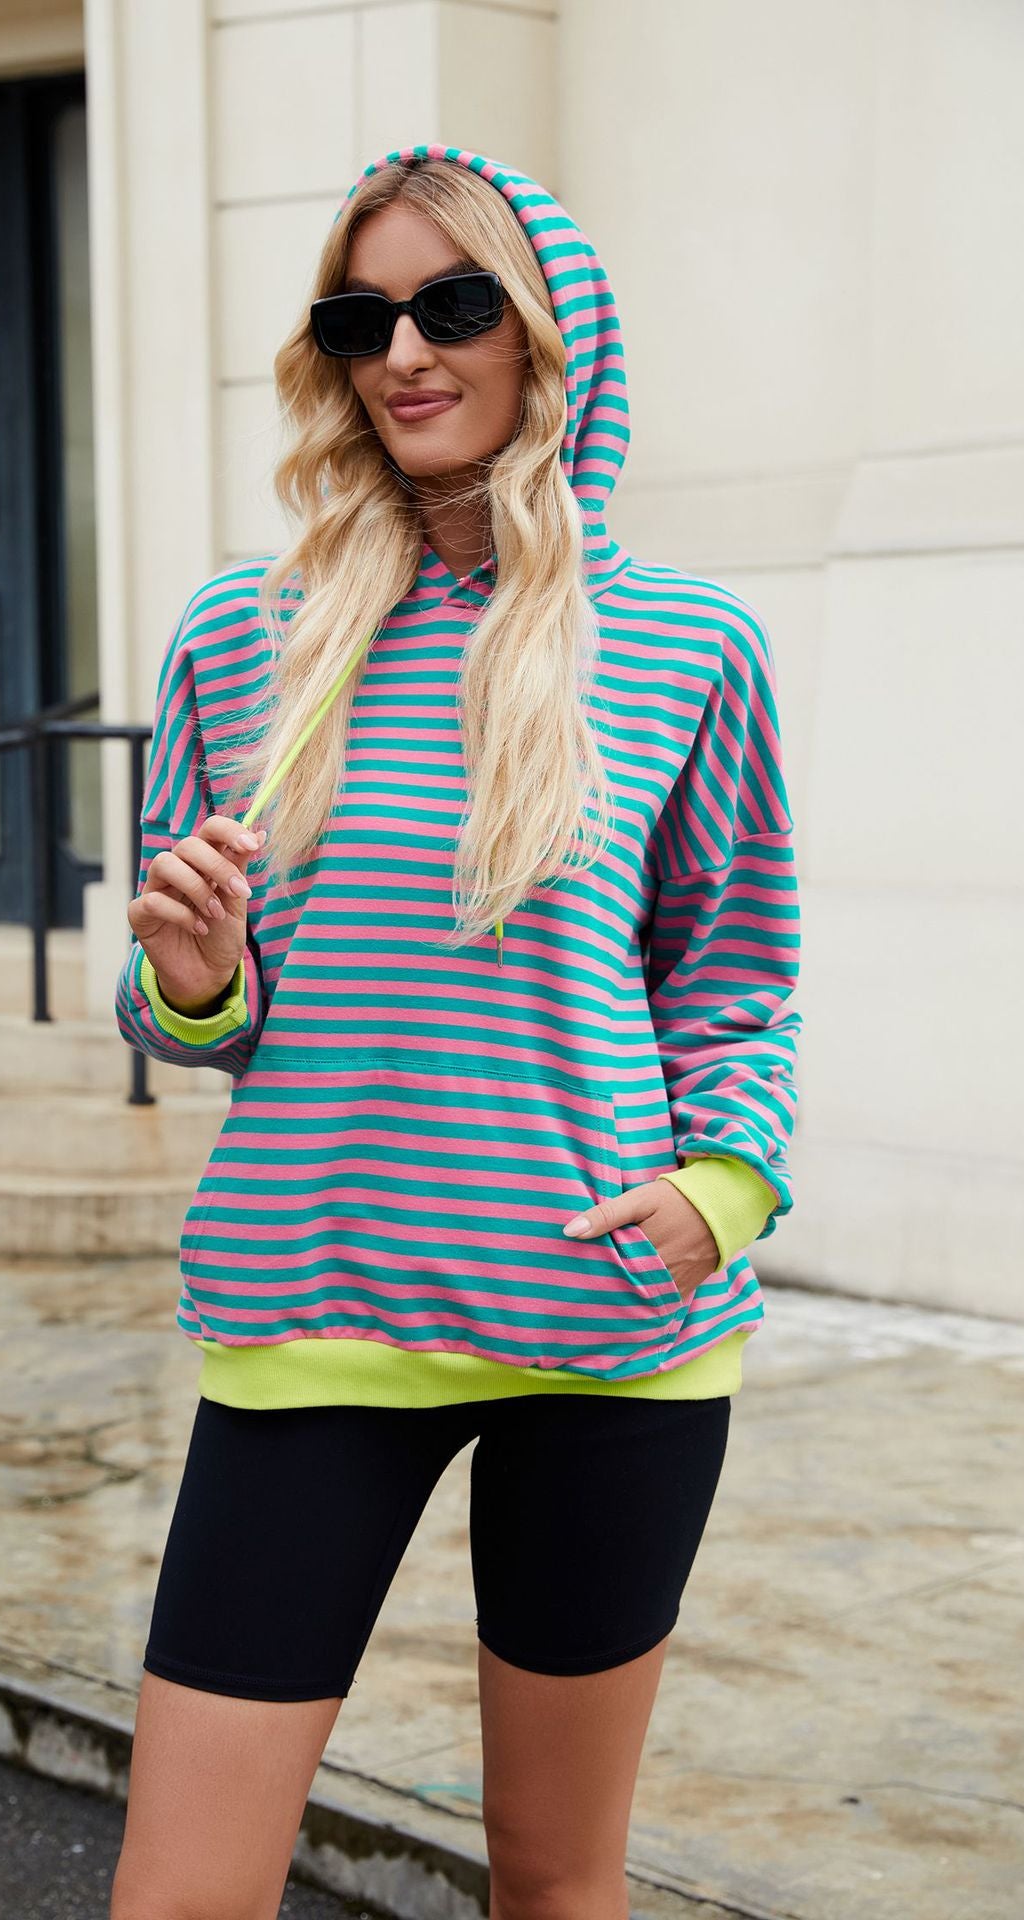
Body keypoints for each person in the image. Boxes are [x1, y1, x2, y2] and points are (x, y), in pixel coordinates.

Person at [109, 144, 801, 1920]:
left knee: (558, 1884)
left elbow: (735, 974)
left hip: (611, 1325)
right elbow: (183, 1005)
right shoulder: (242, 637)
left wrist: (722, 1192)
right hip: (315, 1303)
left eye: (453, 305)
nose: (406, 352)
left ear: (547, 334)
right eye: (362, 320)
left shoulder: (689, 642)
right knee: (182, 1896)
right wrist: (191, 976)